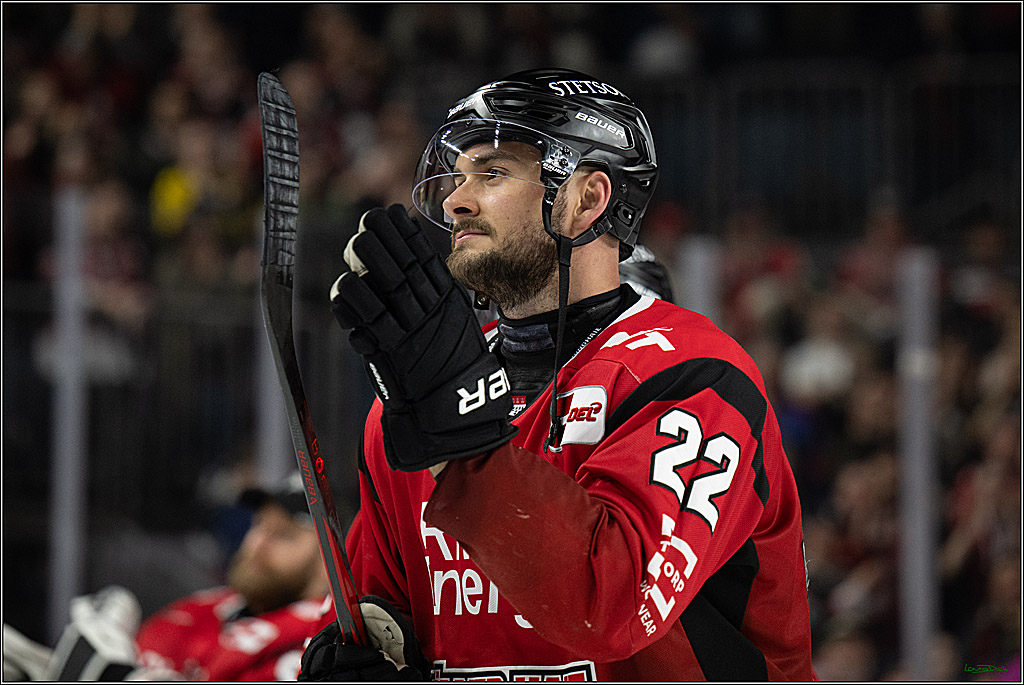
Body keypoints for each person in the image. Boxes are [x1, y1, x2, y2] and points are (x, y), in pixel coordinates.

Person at [302, 67, 816, 681]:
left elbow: (610, 607)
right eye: (457, 176)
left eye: (493, 172)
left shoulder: (693, 375)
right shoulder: (409, 404)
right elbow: (387, 608)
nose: (455, 200)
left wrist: (456, 434)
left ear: (588, 199)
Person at [3, 472, 329, 681]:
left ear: (329, 561)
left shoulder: (325, 645)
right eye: (257, 526)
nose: (256, 544)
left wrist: (113, 674)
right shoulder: (206, 607)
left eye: (282, 535)